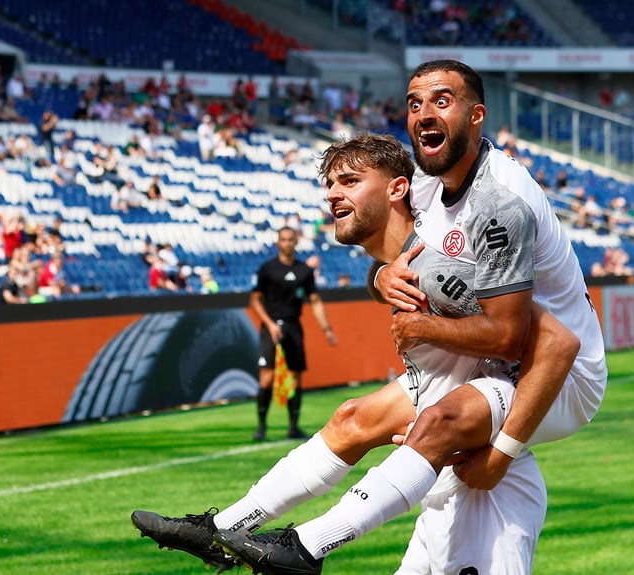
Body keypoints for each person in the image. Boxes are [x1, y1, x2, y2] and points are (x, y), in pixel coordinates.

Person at [219, 60, 607, 572]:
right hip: (489, 365)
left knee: (440, 426)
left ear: (477, 116)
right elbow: (392, 241)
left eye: (442, 101)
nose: (424, 112)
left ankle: (306, 545)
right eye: (414, 103)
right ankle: (226, 528)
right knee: (354, 420)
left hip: (555, 375)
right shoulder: (427, 183)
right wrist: (380, 279)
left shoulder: (500, 200)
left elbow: (527, 339)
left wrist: (502, 452)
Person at [249, 227, 337, 441]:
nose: (287, 243)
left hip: (293, 326)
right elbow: (254, 300)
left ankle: (293, 427)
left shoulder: (303, 271)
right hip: (270, 328)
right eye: (283, 240)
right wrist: (269, 324)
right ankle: (261, 426)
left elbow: (314, 300)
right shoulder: (267, 269)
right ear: (278, 243)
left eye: (290, 240)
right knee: (267, 379)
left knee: (296, 378)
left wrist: (327, 329)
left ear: (296, 242)